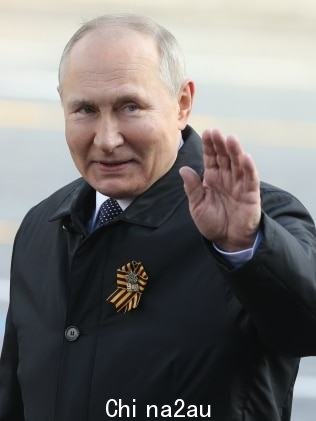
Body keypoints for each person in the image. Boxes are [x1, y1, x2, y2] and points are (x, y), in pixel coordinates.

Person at [1, 13, 316, 421]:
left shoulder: (256, 221)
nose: (107, 138)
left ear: (182, 104)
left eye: (130, 107)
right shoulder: (42, 226)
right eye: (85, 110)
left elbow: (305, 327)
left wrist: (246, 248)